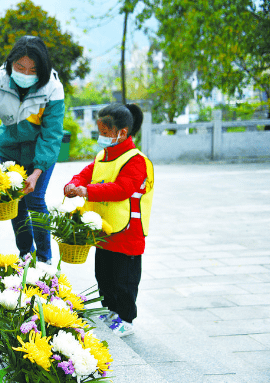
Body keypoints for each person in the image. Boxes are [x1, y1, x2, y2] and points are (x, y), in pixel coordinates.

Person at [64, 103, 154, 337]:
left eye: (105, 133)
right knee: (104, 275)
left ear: (122, 133)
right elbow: (87, 173)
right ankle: (111, 310)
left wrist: (88, 191)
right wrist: (74, 183)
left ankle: (126, 318)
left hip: (127, 232)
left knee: (125, 279)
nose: (101, 138)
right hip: (105, 230)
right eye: (100, 132)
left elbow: (122, 189)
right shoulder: (104, 155)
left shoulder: (136, 160)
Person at [0, 35, 65, 264]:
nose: (25, 73)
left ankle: (45, 261)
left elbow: (51, 135)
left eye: (32, 69)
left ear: (42, 68)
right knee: (16, 202)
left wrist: (37, 171)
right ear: (10, 63)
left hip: (39, 152)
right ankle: (25, 253)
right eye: (19, 67)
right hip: (9, 149)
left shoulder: (52, 88)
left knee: (34, 199)